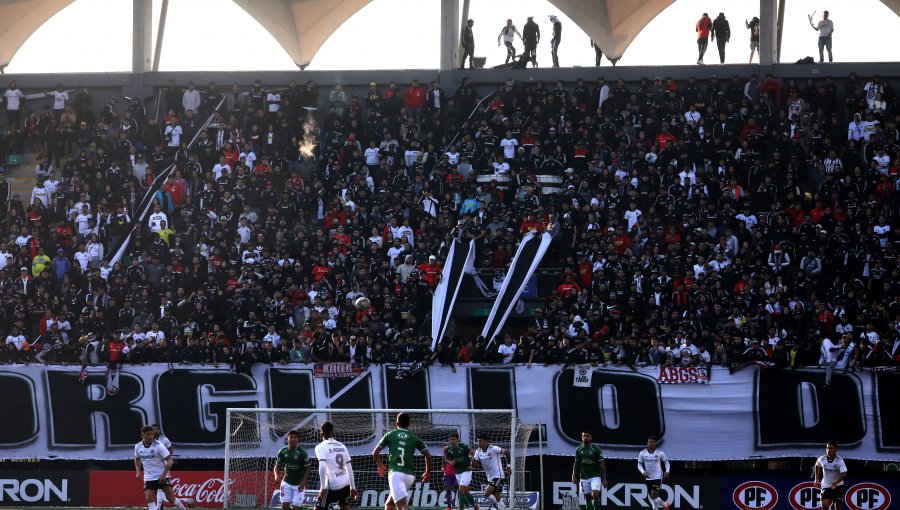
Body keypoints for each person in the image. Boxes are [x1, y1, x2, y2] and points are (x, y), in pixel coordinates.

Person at [373, 412, 433, 510]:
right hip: (410, 476)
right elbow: (429, 456)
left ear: (396, 423)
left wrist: (380, 465)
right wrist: (427, 472)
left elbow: (375, 452)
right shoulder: (414, 437)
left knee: (402, 507)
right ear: (409, 424)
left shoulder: (390, 434)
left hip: (396, 474)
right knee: (389, 504)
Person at [134, 425, 187, 510]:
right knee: (149, 498)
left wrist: (164, 474)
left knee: (171, 499)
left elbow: (170, 461)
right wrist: (138, 471)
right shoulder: (138, 446)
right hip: (149, 477)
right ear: (142, 435)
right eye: (148, 434)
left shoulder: (159, 446)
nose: (151, 436)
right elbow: (137, 459)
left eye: (152, 434)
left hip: (162, 476)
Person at [314, 422, 358, 510]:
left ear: (321, 434)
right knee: (343, 505)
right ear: (334, 433)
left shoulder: (320, 447)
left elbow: (322, 466)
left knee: (318, 508)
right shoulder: (342, 446)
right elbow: (349, 467)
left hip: (331, 486)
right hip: (345, 484)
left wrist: (323, 487)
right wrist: (352, 487)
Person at [274, 429, 311, 510]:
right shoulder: (282, 451)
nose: (293, 439)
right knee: (285, 507)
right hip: (286, 482)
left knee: (296, 508)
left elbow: (308, 468)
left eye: (295, 437)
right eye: (291, 437)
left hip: (298, 484)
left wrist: (303, 482)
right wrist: (276, 476)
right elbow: (277, 466)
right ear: (287, 439)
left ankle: (303, 508)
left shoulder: (302, 452)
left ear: (298, 440)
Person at [472, 433, 510, 510]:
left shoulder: (494, 448)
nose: (479, 443)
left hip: (498, 476)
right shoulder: (478, 451)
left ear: (486, 441)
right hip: (490, 477)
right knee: (498, 499)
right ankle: (502, 508)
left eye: (480, 441)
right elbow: (474, 465)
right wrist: (472, 462)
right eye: (478, 441)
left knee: (486, 493)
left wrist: (508, 466)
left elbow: (507, 452)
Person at [572, 429, 607, 510]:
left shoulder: (596, 449)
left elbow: (602, 465)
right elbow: (576, 463)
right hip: (584, 477)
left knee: (595, 494)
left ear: (591, 438)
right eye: (583, 436)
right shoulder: (578, 449)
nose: (585, 437)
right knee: (587, 497)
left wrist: (604, 479)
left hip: (595, 476)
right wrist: (573, 475)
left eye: (587, 436)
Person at [444, 431, 476, 510]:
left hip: (466, 470)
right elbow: (446, 459)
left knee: (461, 490)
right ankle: (476, 507)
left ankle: (461, 508)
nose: (452, 441)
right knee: (465, 491)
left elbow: (475, 453)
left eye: (453, 439)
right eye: (450, 439)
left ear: (457, 440)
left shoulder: (464, 446)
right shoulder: (448, 449)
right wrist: (450, 462)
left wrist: (472, 464)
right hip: (457, 472)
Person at [637, 436, 670, 510]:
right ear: (647, 443)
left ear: (655, 443)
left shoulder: (660, 453)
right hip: (648, 478)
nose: (651, 444)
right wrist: (643, 472)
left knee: (654, 496)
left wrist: (667, 471)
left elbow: (667, 463)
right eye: (649, 442)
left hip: (657, 477)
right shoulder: (642, 453)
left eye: (652, 442)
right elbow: (639, 464)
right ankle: (665, 505)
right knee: (653, 497)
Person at [815, 441, 848, 510]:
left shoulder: (839, 460)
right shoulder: (822, 458)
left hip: (838, 485)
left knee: (838, 508)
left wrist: (836, 482)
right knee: (824, 506)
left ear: (835, 450)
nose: (828, 450)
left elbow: (844, 473)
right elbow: (817, 466)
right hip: (826, 485)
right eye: (827, 448)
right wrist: (816, 478)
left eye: (831, 448)